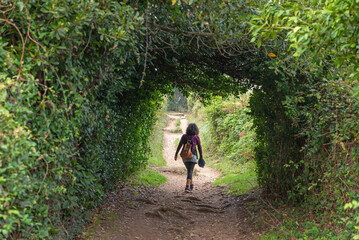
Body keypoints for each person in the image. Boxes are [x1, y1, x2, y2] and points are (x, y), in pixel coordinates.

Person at [174, 123, 203, 193]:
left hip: (185, 156)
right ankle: (187, 186)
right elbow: (199, 147)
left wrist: (176, 154)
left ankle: (191, 184)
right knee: (190, 170)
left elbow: (179, 145)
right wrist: (201, 157)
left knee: (189, 170)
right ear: (196, 130)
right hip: (193, 156)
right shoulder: (196, 137)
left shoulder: (184, 136)